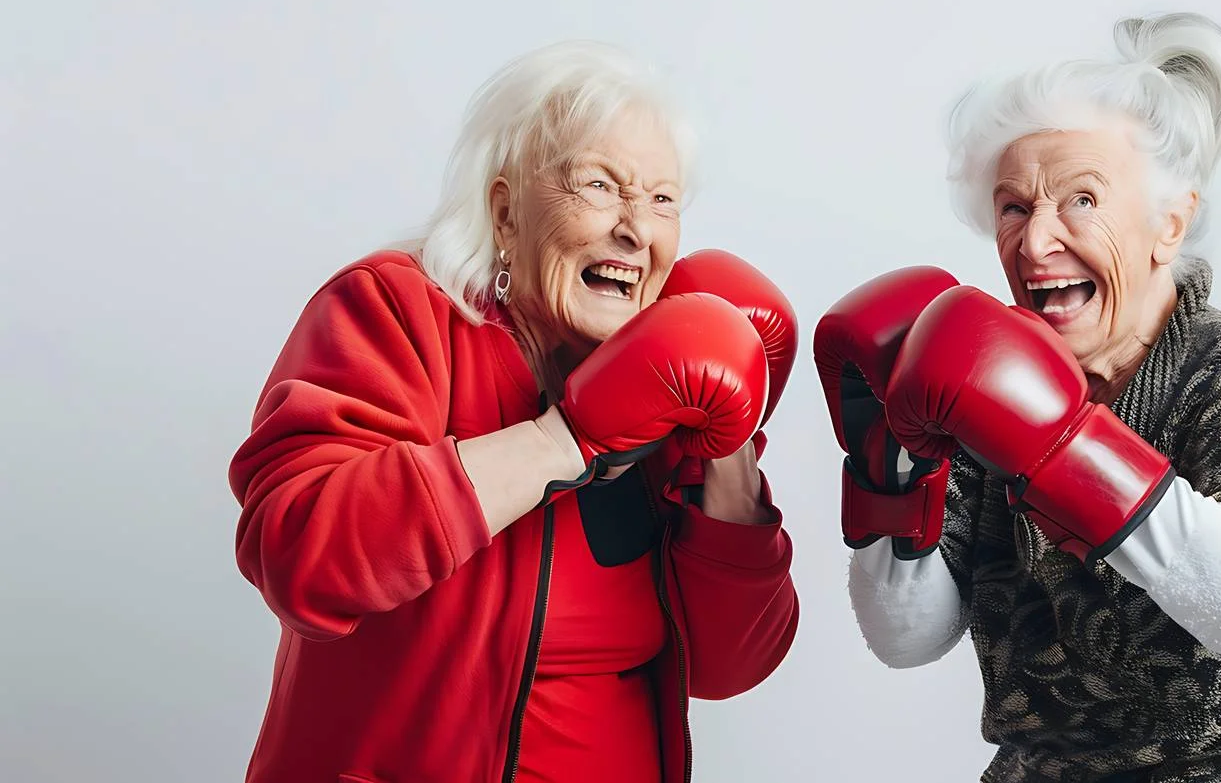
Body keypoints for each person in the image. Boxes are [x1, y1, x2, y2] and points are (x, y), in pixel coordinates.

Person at [816, 13, 1221, 781]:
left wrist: (1060, 445)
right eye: (1013, 206)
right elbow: (907, 637)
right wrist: (891, 467)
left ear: (1168, 224)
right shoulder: (983, 380)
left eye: (1080, 199)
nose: (1037, 239)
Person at [228, 41, 800, 783]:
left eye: (663, 199)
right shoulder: (395, 312)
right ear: (504, 212)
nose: (637, 229)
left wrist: (731, 450)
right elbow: (301, 551)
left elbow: (729, 664)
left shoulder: (667, 374)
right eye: (601, 185)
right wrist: (564, 439)